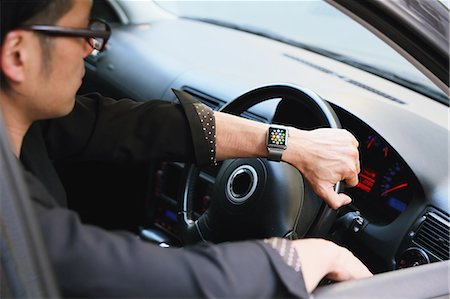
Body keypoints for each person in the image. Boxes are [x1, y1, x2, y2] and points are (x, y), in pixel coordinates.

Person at [0, 0, 372, 297]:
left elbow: (141, 126)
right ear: (18, 54)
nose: (90, 46)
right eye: (82, 30)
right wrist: (311, 257)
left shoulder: (28, 123)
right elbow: (112, 271)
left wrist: (291, 143)